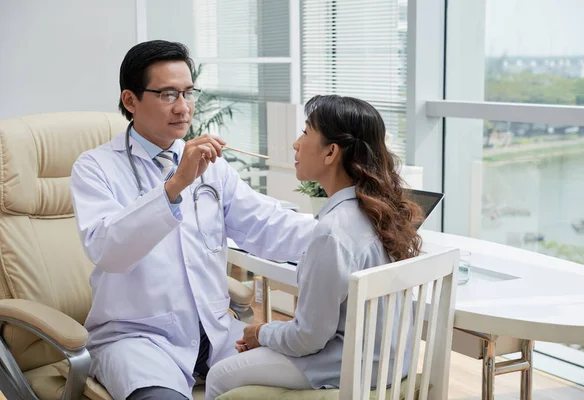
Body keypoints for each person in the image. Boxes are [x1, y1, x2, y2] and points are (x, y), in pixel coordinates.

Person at [70, 40, 316, 400]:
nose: (184, 108)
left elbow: (265, 222)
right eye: (169, 94)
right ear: (130, 100)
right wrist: (176, 185)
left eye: (188, 92)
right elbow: (108, 249)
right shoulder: (95, 168)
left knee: (298, 383)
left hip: (217, 333)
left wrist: (343, 232)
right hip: (139, 340)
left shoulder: (210, 167)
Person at [205, 95, 424, 399]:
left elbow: (308, 338)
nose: (296, 144)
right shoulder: (380, 215)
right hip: (390, 365)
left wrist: (260, 333)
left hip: (346, 367)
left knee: (218, 376)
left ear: (331, 152)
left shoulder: (331, 233)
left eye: (306, 133)